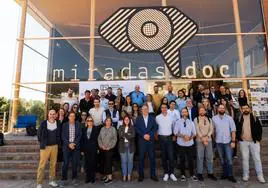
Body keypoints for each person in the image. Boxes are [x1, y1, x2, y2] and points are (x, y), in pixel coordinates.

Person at [236, 104, 266, 183]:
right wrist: (239, 138)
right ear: (241, 110)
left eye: (246, 108)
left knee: (257, 158)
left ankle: (260, 175)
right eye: (243, 108)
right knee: (245, 159)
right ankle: (246, 174)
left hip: (254, 142)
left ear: (249, 109)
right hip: (244, 142)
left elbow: (260, 129)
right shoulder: (239, 118)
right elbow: (237, 129)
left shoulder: (255, 118)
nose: (245, 109)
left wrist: (259, 139)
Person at [36, 109, 61, 188]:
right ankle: (39, 183)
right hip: (45, 147)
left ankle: (52, 181)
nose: (52, 115)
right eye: (51, 114)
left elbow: (59, 134)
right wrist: (43, 142)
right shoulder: (43, 123)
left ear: (56, 115)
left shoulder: (58, 123)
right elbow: (39, 135)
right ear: (48, 115)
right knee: (42, 165)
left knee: (53, 165)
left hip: (55, 146)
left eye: (53, 114)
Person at [212, 104, 237, 183]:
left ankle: (230, 175)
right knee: (222, 159)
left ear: (224, 109)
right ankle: (225, 174)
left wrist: (233, 141)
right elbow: (213, 130)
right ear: (217, 109)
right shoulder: (214, 118)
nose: (221, 109)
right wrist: (214, 139)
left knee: (229, 159)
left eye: (223, 108)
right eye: (220, 108)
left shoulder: (229, 118)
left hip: (228, 142)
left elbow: (233, 130)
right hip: (218, 142)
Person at [135, 104, 158, 182]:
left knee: (152, 158)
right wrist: (143, 135)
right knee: (141, 158)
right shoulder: (138, 119)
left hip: (150, 140)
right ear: (141, 110)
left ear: (148, 110)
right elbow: (136, 128)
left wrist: (149, 135)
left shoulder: (152, 118)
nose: (144, 110)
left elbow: (155, 128)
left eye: (146, 109)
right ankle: (141, 175)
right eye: (143, 109)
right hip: (142, 141)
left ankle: (153, 175)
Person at [174, 108, 198, 182]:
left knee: (191, 160)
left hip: (190, 144)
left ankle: (192, 174)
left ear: (187, 113)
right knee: (182, 160)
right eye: (183, 112)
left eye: (185, 112)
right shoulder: (178, 122)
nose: (184, 113)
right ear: (181, 114)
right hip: (181, 144)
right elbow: (175, 132)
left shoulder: (191, 122)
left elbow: (194, 133)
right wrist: (183, 136)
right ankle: (183, 175)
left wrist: (190, 138)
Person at [194, 106, 217, 181]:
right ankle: (199, 173)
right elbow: (197, 130)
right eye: (200, 110)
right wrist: (203, 138)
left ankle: (210, 173)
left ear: (205, 111)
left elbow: (211, 129)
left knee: (209, 157)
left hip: (209, 140)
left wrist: (207, 137)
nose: (202, 112)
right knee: (200, 157)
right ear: (198, 112)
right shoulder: (196, 119)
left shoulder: (209, 119)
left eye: (203, 110)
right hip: (199, 141)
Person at [156, 103, 177, 182]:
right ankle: (166, 173)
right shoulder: (157, 117)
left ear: (167, 109)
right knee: (164, 156)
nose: (164, 109)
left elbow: (174, 127)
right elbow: (156, 128)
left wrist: (174, 135)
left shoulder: (171, 117)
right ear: (161, 109)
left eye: (165, 107)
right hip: (161, 138)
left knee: (171, 156)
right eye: (162, 107)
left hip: (169, 138)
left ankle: (171, 173)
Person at [60, 112, 82, 187]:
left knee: (74, 164)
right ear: (68, 117)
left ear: (75, 117)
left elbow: (79, 135)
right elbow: (62, 136)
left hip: (76, 147)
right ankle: (63, 179)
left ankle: (74, 178)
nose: (72, 117)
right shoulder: (64, 125)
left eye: (73, 116)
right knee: (65, 163)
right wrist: (69, 144)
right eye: (71, 116)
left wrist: (74, 143)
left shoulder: (78, 125)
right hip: (66, 147)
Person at [98, 117, 118, 185]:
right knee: (104, 162)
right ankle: (106, 176)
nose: (108, 122)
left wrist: (109, 147)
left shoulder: (113, 129)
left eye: (109, 121)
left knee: (108, 163)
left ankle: (110, 177)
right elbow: (99, 138)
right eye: (107, 121)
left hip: (110, 149)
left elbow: (114, 139)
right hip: (102, 149)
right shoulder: (102, 128)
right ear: (105, 122)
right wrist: (101, 146)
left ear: (111, 122)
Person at [81, 116, 99, 184]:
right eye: (88, 120)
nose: (89, 122)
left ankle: (92, 178)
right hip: (86, 149)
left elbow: (97, 140)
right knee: (87, 164)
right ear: (86, 122)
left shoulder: (96, 129)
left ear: (93, 122)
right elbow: (82, 140)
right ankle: (88, 178)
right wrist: (82, 150)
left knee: (93, 163)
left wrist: (97, 148)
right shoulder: (84, 129)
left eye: (91, 120)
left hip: (93, 149)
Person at [118, 115, 136, 181]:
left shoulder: (132, 127)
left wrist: (125, 134)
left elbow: (133, 136)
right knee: (123, 161)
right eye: (125, 119)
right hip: (122, 146)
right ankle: (124, 175)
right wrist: (128, 134)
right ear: (123, 121)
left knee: (130, 161)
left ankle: (129, 175)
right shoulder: (120, 127)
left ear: (130, 120)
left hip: (131, 146)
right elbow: (120, 135)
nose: (126, 121)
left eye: (128, 119)